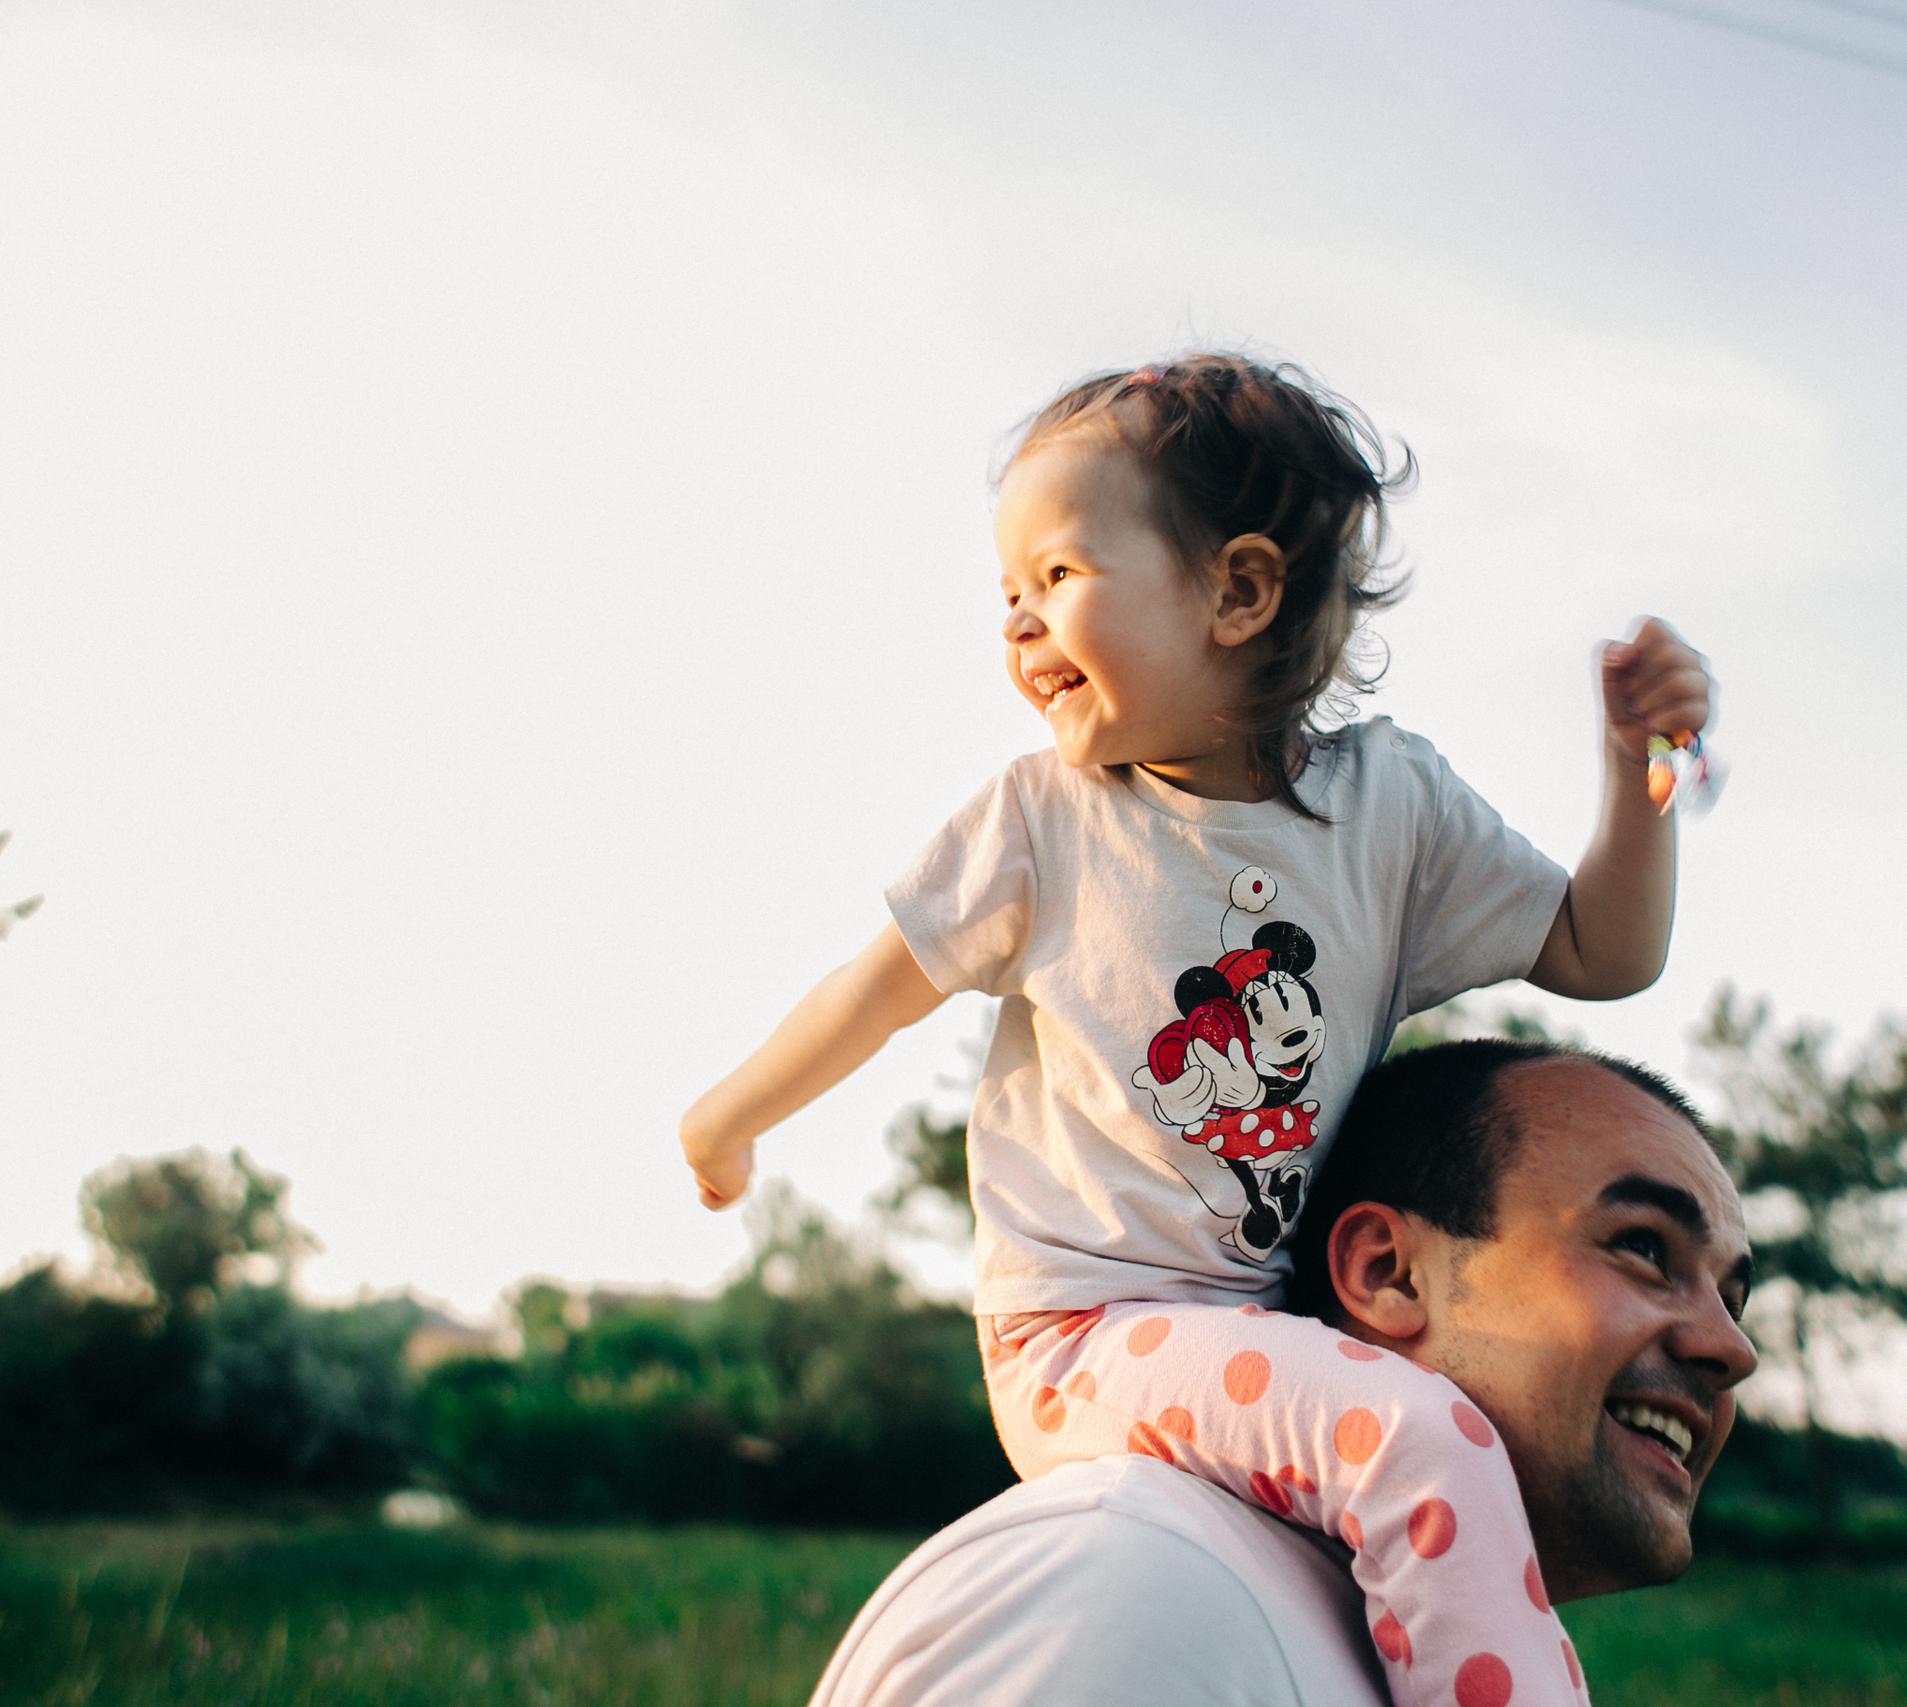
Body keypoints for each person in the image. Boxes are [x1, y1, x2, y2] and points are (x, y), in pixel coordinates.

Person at [681, 354, 1717, 1707]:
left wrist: (1650, 772)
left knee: (1461, 1494)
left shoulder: (1387, 812)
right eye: (1006, 591)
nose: (1015, 619)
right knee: (1426, 1442)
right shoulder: (1043, 821)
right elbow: (867, 992)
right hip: (1084, 1330)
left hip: (1272, 1319)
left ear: (1238, 589)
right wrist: (728, 1116)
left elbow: (1605, 948)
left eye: (1056, 574)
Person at [806, 1039, 1759, 1707]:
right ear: (1387, 1272)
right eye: (1642, 1246)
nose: (1732, 1348)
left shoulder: (1350, 1628)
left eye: (1734, 1295)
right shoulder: (1139, 1597)